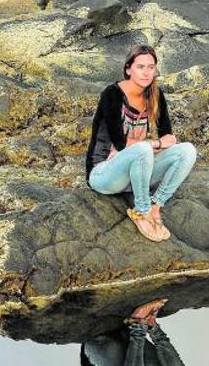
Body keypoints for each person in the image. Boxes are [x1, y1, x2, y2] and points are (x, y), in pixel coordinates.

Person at [85, 44, 198, 242]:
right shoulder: (111, 95)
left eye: (151, 67)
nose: (146, 73)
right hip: (105, 174)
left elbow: (169, 137)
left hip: (137, 172)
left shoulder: (155, 95)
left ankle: (155, 206)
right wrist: (155, 144)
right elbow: (120, 143)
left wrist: (157, 144)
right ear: (128, 69)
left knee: (187, 151)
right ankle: (142, 210)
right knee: (143, 148)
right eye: (140, 67)